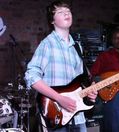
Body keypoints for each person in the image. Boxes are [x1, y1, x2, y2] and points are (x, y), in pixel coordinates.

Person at [24, 1, 97, 132]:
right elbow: (31, 76)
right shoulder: (48, 44)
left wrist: (90, 92)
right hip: (57, 114)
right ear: (52, 21)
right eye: (60, 12)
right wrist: (59, 98)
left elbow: (81, 82)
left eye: (68, 11)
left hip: (78, 116)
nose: (66, 13)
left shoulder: (77, 47)